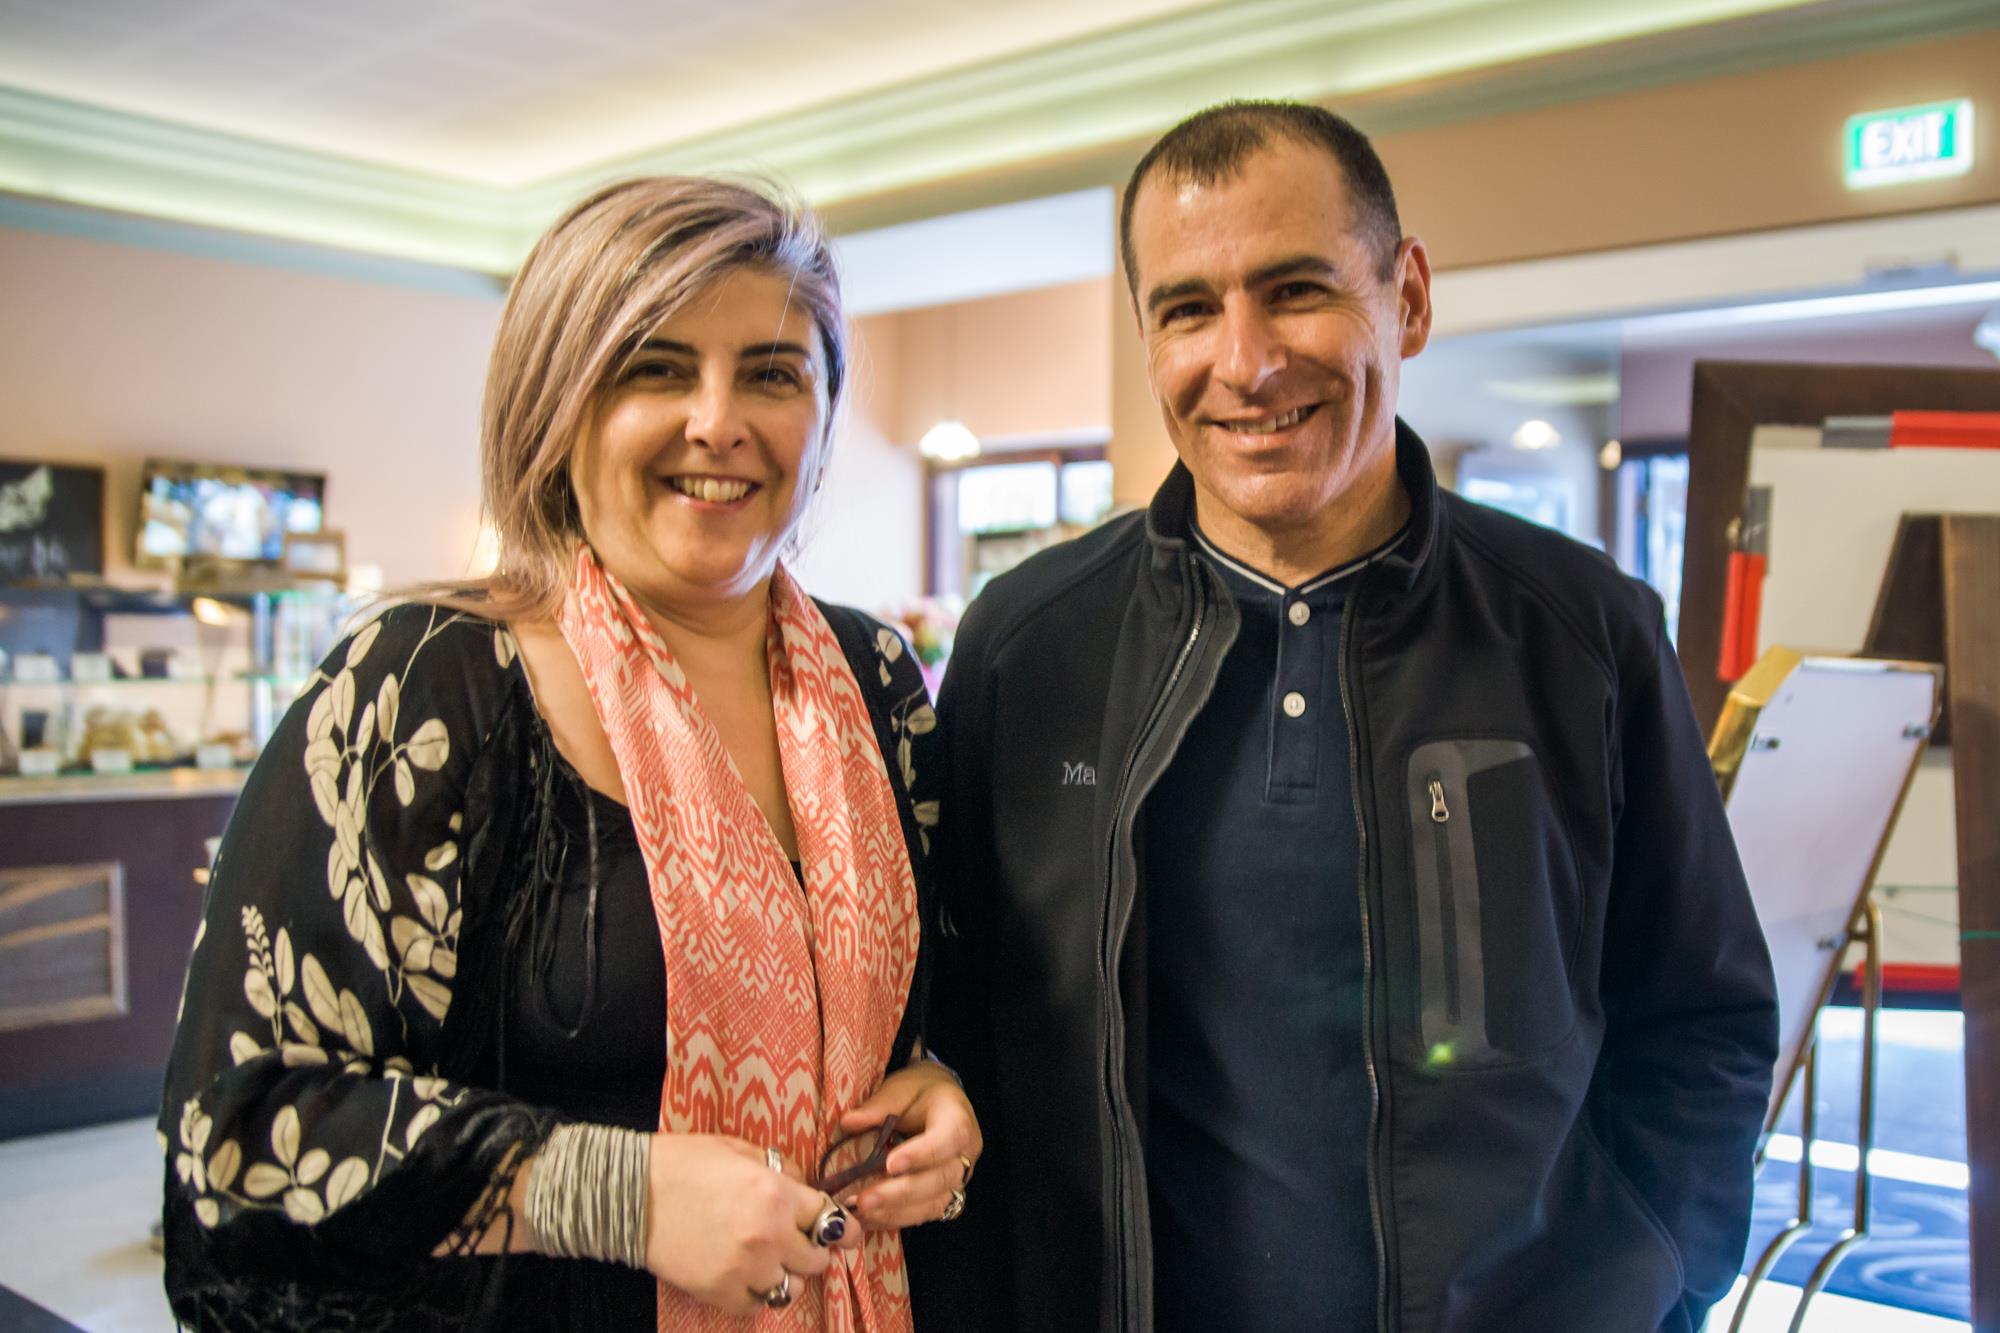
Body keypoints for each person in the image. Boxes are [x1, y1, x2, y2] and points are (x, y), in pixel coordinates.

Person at [904, 101, 1777, 1333]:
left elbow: (1698, 1012)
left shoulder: (1582, 630)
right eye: (1187, 308)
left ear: (1405, 297)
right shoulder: (1029, 643)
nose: (1245, 361)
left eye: (1294, 290)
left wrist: (1653, 1272)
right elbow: (957, 1021)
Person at [161, 175, 981, 1330]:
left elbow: (916, 1010)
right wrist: (609, 1194)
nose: (718, 421)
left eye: (771, 373)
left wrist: (937, 1089)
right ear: (556, 401)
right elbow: (237, 1141)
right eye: (655, 367)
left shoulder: (875, 683)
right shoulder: (427, 686)